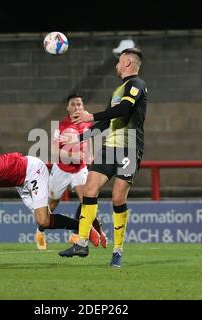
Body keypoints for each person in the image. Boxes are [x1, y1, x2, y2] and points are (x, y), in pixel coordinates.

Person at [58, 48, 147, 268]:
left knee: (118, 198)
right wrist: (80, 137)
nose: (116, 66)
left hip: (129, 147)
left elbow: (125, 110)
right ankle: (81, 242)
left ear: (127, 63)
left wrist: (91, 116)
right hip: (109, 147)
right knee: (89, 190)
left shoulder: (137, 84)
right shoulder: (118, 90)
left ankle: (117, 251)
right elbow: (107, 121)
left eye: (119, 62)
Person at [0, 152, 100, 257]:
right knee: (44, 220)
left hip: (32, 170)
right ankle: (84, 228)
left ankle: (84, 229)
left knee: (43, 219)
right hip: (20, 183)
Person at [35, 94, 107, 250]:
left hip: (79, 170)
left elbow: (89, 145)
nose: (77, 107)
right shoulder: (60, 126)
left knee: (87, 200)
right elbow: (54, 152)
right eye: (73, 104)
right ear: (68, 108)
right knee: (52, 204)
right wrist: (74, 155)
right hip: (61, 170)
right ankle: (40, 231)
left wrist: (90, 156)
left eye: (79, 104)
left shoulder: (87, 124)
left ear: (83, 106)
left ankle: (76, 235)